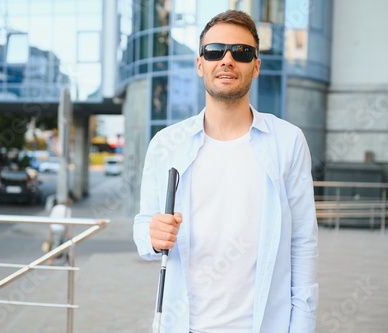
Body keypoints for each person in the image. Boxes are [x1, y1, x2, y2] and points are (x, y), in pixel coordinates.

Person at [133, 9, 319, 333]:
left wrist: (302, 326)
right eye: (215, 51)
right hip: (184, 326)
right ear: (200, 63)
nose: (228, 60)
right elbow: (143, 227)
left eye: (242, 52)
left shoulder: (288, 142)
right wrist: (152, 235)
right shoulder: (166, 144)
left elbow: (303, 241)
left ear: (256, 66)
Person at [47, 199, 72, 265]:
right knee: (65, 244)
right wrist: (68, 232)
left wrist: (50, 230)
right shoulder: (67, 210)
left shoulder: (55, 207)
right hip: (61, 229)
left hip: (53, 227)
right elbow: (66, 222)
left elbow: (50, 218)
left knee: (55, 244)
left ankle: (51, 259)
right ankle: (51, 259)